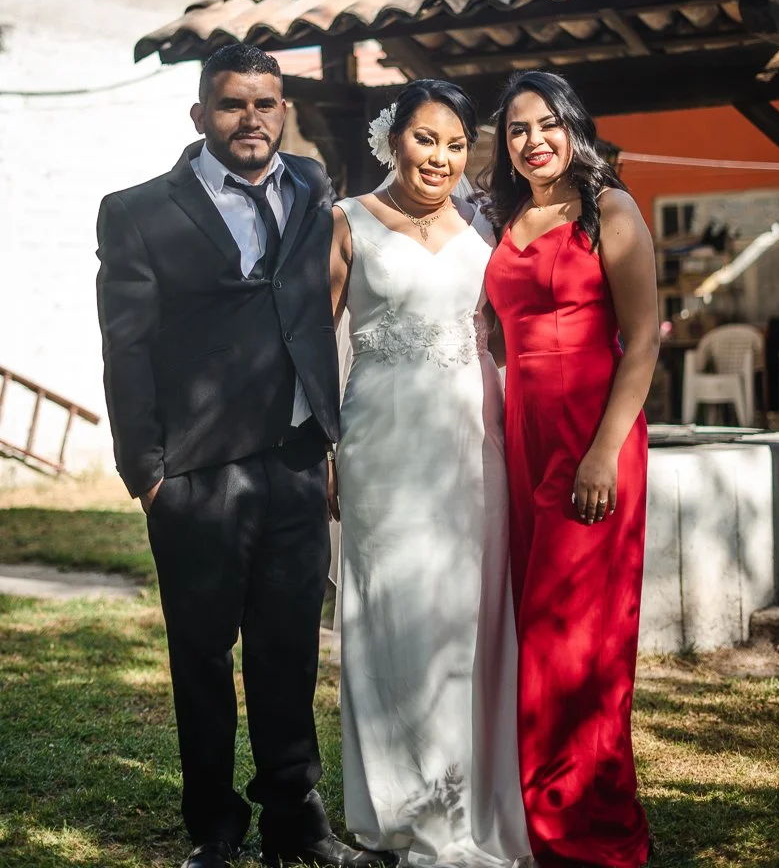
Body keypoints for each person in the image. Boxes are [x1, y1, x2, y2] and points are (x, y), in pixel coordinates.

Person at [96, 44, 386, 868]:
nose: (251, 118)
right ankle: (216, 830)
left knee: (289, 650)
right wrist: (147, 476)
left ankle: (296, 822)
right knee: (200, 656)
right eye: (232, 104)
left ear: (283, 108)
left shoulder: (312, 188)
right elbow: (127, 351)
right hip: (195, 477)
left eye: (265, 103)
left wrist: (327, 436)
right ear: (200, 115)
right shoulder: (139, 211)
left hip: (295, 463)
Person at [329, 80, 530, 868]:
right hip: (380, 443)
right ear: (392, 138)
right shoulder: (345, 221)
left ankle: (466, 800)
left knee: (463, 620)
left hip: (471, 447)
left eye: (455, 144)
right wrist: (323, 450)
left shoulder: (485, 223)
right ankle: (398, 811)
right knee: (390, 616)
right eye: (425, 139)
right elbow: (315, 341)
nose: (440, 158)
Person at [481, 71, 659, 868]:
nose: (533, 140)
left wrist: (601, 452)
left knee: (578, 637)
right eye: (518, 129)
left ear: (574, 126)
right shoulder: (507, 217)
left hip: (594, 436)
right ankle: (534, 809)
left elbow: (646, 336)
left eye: (547, 124)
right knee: (534, 626)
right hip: (524, 437)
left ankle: (586, 827)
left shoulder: (609, 209)